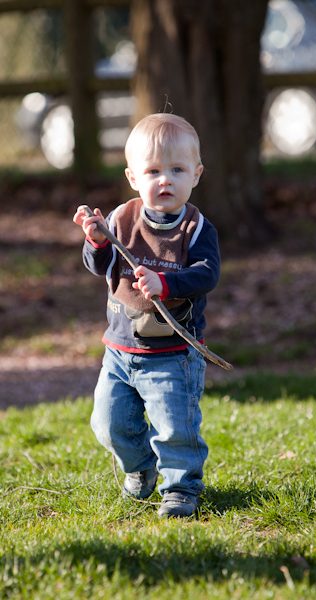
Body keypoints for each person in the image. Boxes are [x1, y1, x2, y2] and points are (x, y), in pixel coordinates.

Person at [73, 113, 220, 518]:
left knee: (175, 427)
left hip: (173, 353)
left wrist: (165, 284)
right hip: (120, 350)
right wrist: (96, 240)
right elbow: (98, 264)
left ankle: (180, 489)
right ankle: (140, 467)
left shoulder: (195, 228)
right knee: (108, 421)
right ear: (134, 177)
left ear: (196, 175)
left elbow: (208, 274)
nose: (165, 180)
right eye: (154, 170)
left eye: (177, 170)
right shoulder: (121, 217)